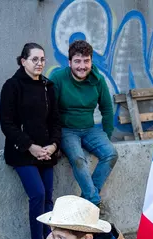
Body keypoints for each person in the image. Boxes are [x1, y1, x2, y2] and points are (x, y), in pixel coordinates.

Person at [0, 43, 61, 239]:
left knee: (48, 198)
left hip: (46, 152)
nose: (39, 63)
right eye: (34, 59)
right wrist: (30, 147)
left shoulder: (48, 86)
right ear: (23, 61)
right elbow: (7, 124)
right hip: (22, 153)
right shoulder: (12, 86)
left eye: (42, 59)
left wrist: (53, 146)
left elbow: (55, 121)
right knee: (37, 194)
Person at [50, 40, 117, 208]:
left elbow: (107, 109)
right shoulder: (58, 78)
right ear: (69, 62)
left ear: (91, 61)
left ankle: (87, 198)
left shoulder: (98, 80)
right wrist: (54, 140)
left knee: (111, 153)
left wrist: (106, 136)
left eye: (86, 61)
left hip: (89, 129)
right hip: (66, 130)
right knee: (79, 159)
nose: (82, 66)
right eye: (77, 61)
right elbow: (49, 111)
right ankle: (94, 202)